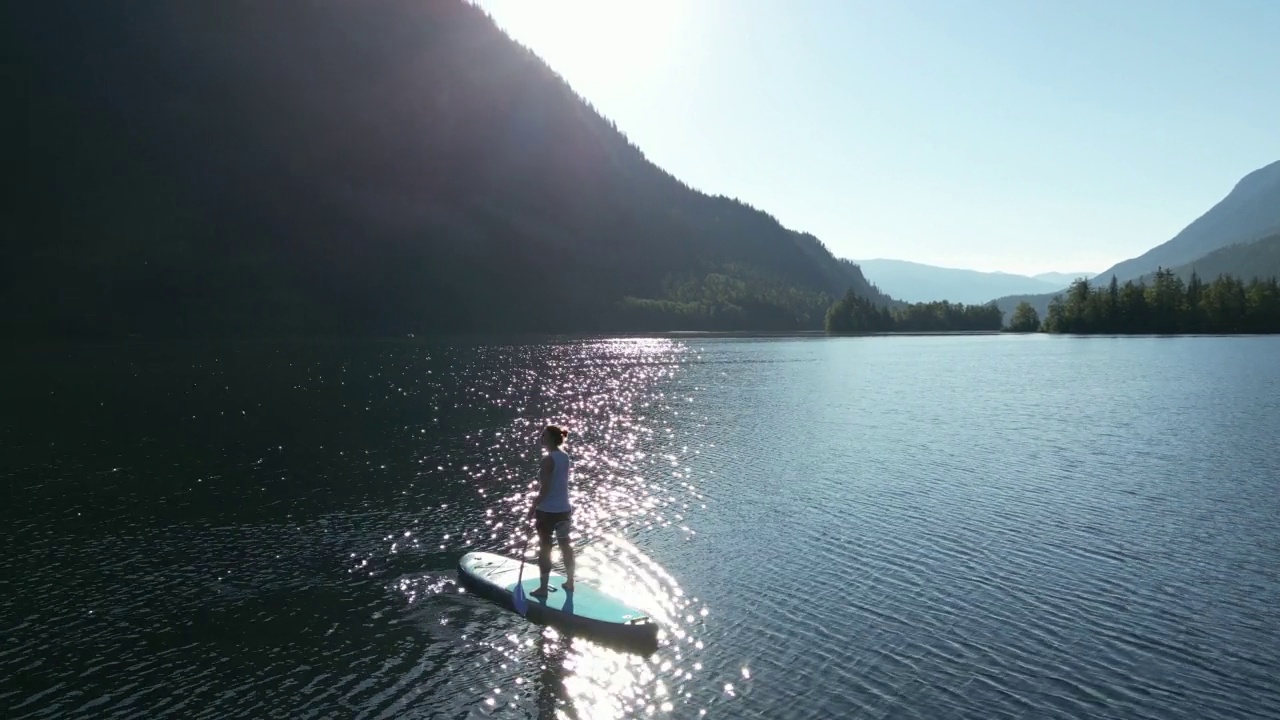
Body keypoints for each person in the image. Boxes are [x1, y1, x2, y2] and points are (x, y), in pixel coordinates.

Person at [528, 424, 575, 597]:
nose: (541, 437)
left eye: (544, 435)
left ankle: (543, 589)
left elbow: (545, 489)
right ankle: (570, 582)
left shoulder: (548, 460)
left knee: (545, 548)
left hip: (547, 512)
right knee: (565, 546)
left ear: (552, 439)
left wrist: (533, 507)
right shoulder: (565, 457)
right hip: (564, 509)